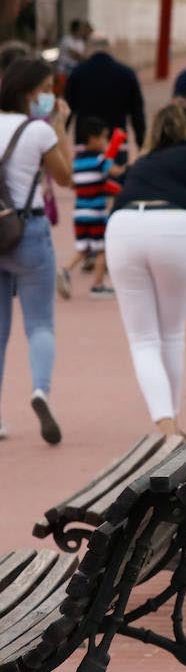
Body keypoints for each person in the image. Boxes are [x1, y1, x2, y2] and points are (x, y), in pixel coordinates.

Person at [106, 104, 186, 440]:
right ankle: (171, 428)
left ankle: (168, 429)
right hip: (178, 225)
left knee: (143, 338)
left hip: (123, 227)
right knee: (171, 333)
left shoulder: (141, 164)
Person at [0, 58, 73, 445]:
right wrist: (59, 127)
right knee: (40, 323)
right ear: (31, 92)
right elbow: (65, 176)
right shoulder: (37, 132)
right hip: (28, 230)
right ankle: (39, 391)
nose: (50, 95)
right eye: (46, 88)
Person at [65, 115, 121, 298]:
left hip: (80, 212)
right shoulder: (99, 160)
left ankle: (65, 269)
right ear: (93, 138)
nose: (106, 143)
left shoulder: (77, 161)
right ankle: (98, 286)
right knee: (102, 249)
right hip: (96, 212)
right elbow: (114, 172)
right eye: (104, 138)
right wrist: (122, 165)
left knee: (83, 248)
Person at [63, 33, 147, 154]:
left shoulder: (77, 74)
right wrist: (141, 142)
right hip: (116, 143)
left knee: (88, 173)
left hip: (86, 143)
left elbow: (67, 110)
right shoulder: (126, 73)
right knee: (116, 172)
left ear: (89, 48)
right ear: (109, 48)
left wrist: (59, 138)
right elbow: (137, 113)